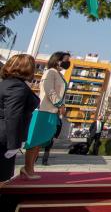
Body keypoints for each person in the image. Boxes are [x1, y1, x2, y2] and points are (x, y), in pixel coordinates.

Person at [25, 52, 69, 176]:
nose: (68, 62)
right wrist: (59, 103)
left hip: (52, 111)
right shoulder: (50, 72)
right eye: (66, 60)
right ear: (57, 60)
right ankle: (27, 168)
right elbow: (49, 89)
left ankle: (30, 168)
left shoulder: (59, 74)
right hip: (44, 110)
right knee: (35, 141)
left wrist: (61, 105)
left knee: (42, 141)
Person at [0, 54, 39, 183]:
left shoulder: (6, 83)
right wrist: (13, 144)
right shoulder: (17, 87)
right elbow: (13, 116)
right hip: (4, 139)